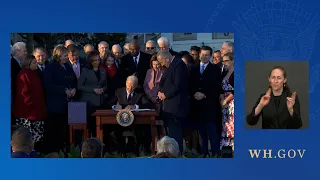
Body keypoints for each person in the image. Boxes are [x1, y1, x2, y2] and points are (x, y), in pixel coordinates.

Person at [43, 46, 77, 154]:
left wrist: (74, 89)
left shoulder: (67, 66)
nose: (66, 58)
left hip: (67, 105)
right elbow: (48, 84)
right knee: (55, 130)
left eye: (67, 55)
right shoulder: (50, 67)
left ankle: (66, 150)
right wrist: (63, 90)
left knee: (65, 130)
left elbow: (73, 79)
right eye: (64, 56)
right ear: (58, 55)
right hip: (55, 105)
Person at [189, 46, 222, 157]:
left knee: (212, 131)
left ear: (210, 56)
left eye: (207, 55)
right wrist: (194, 93)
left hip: (210, 105)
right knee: (201, 131)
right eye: (203, 54)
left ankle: (215, 152)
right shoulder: (193, 68)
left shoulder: (215, 69)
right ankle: (204, 152)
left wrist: (204, 95)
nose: (204, 56)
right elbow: (189, 84)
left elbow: (217, 87)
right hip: (197, 105)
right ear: (199, 54)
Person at [157, 50, 190, 153]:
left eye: (162, 62)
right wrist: (160, 92)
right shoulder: (171, 65)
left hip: (176, 106)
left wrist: (165, 94)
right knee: (171, 132)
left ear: (167, 58)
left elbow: (178, 85)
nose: (162, 64)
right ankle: (171, 154)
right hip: (168, 106)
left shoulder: (179, 65)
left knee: (175, 134)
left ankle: (176, 154)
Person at [109, 75, 151, 155]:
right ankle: (122, 152)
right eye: (128, 85)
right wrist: (115, 106)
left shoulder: (139, 93)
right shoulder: (119, 91)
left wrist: (135, 106)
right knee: (114, 133)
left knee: (140, 132)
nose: (130, 88)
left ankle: (134, 153)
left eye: (132, 86)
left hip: (135, 122)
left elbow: (148, 105)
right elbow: (109, 103)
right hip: (120, 122)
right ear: (126, 83)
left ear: (136, 86)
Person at [13, 55, 46, 153]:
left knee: (36, 139)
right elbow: (24, 94)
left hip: (36, 111)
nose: (36, 64)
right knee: (28, 138)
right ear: (28, 64)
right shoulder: (24, 75)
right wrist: (34, 105)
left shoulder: (33, 73)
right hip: (28, 114)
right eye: (34, 63)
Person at [77, 50, 108, 137]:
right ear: (90, 61)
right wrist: (93, 90)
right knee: (91, 126)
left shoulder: (103, 70)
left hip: (100, 102)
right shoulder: (85, 71)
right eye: (95, 60)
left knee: (101, 126)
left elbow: (105, 85)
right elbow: (79, 86)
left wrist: (103, 89)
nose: (97, 62)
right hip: (89, 103)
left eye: (98, 60)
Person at [219, 53, 234, 152]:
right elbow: (220, 89)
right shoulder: (224, 72)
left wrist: (225, 100)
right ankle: (226, 148)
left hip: (232, 101)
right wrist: (221, 100)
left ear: (233, 61)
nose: (224, 63)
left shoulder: (236, 73)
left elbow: (235, 90)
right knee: (225, 124)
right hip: (224, 102)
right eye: (223, 61)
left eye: (226, 60)